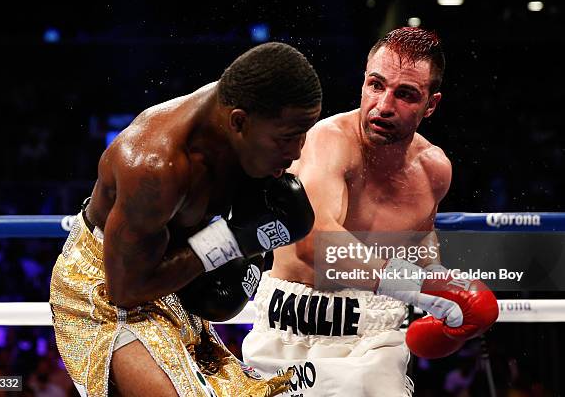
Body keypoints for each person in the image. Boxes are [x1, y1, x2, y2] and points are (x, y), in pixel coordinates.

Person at [49, 42, 322, 397]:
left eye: (303, 134)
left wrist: (244, 248)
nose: (297, 151)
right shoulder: (155, 167)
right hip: (107, 287)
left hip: (170, 273)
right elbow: (126, 291)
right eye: (287, 138)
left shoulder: (244, 116)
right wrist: (232, 242)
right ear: (238, 121)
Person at [242, 27, 498, 396]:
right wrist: (425, 289)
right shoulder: (327, 141)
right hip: (288, 334)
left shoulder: (434, 169)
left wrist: (441, 284)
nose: (383, 105)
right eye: (376, 85)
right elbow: (314, 243)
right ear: (363, 83)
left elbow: (419, 238)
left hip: (372, 340)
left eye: (405, 94)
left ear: (431, 105)